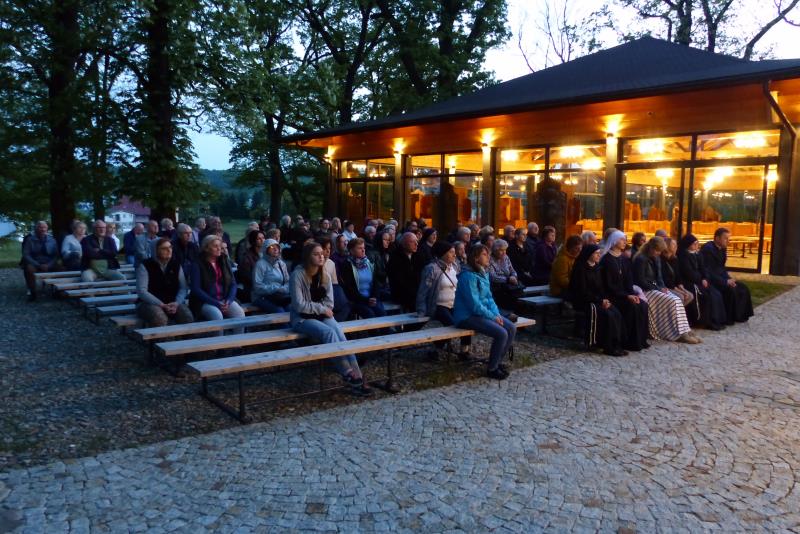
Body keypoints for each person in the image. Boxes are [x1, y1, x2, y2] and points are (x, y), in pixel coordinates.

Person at [289, 242, 372, 395]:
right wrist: (322, 309)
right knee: (328, 332)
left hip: (322, 315)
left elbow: (330, 303)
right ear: (307, 257)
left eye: (322, 253)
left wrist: (323, 309)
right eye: (316, 254)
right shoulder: (297, 275)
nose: (321, 256)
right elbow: (299, 305)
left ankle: (358, 374)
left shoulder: (325, 275)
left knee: (339, 333)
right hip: (302, 318)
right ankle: (347, 373)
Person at [454, 244, 517, 380]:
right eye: (484, 254)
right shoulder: (467, 276)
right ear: (476, 258)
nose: (488, 257)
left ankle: (497, 362)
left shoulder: (483, 273)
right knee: (501, 333)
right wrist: (492, 317)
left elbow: (489, 298)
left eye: (488, 254)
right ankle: (492, 369)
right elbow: (474, 304)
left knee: (511, 328)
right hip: (466, 316)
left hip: (481, 314)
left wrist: (496, 314)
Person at [632, 237, 700, 344]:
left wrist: (662, 287)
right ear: (651, 248)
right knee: (673, 301)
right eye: (657, 251)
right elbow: (641, 281)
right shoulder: (640, 259)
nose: (658, 253)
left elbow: (659, 278)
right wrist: (658, 288)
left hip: (656, 288)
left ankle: (684, 330)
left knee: (677, 299)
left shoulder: (656, 258)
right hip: (646, 290)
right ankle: (677, 333)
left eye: (660, 251)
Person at [568, 244, 627, 356]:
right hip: (584, 301)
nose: (599, 255)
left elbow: (601, 288)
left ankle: (616, 344)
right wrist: (600, 301)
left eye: (599, 253)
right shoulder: (580, 269)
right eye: (596, 253)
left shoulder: (597, 268)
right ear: (589, 254)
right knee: (608, 315)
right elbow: (582, 291)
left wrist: (605, 300)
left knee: (615, 313)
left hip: (597, 300)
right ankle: (606, 346)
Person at [416, 241, 471, 358]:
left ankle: (464, 350)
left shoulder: (455, 266)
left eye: (454, 252)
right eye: (451, 252)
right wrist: (421, 310)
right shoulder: (432, 268)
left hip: (455, 304)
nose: (454, 255)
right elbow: (423, 291)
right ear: (442, 253)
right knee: (452, 324)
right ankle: (436, 348)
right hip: (439, 305)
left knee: (466, 320)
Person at [600, 230, 650, 351]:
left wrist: (632, 294)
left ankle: (639, 340)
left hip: (625, 294)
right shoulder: (606, 260)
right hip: (612, 296)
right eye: (622, 239)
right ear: (614, 241)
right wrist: (626, 296)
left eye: (625, 240)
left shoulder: (624, 259)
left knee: (642, 305)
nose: (624, 242)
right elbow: (608, 285)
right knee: (632, 307)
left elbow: (629, 281)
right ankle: (627, 341)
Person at [190, 235, 245, 331]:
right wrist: (216, 303)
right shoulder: (197, 264)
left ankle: (238, 340)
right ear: (206, 248)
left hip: (224, 299)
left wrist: (228, 301)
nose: (219, 248)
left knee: (239, 313)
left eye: (219, 245)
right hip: (205, 301)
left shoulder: (224, 260)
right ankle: (219, 340)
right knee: (217, 316)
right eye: (215, 246)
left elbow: (233, 283)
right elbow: (196, 289)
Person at [136, 237, 193, 327]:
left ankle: (184, 336)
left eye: (170, 247)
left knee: (187, 316)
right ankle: (157, 337)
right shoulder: (145, 265)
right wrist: (161, 304)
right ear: (155, 250)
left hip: (172, 302)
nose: (169, 250)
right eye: (164, 248)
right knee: (159, 318)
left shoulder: (176, 264)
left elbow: (183, 288)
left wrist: (177, 302)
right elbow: (142, 291)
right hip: (149, 303)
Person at [701, 228, 754, 324]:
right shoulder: (708, 250)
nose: (728, 241)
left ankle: (740, 316)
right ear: (717, 238)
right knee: (730, 290)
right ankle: (728, 318)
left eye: (729, 238)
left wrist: (729, 279)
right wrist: (725, 281)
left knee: (743, 288)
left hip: (722, 277)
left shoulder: (722, 249)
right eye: (725, 238)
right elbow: (708, 272)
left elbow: (722, 268)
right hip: (712, 280)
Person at [677, 233, 726, 330]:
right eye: (694, 244)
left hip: (700, 281)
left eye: (697, 243)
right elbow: (688, 272)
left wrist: (705, 278)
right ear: (688, 245)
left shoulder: (698, 254)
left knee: (716, 294)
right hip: (690, 282)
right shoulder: (683, 256)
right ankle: (706, 322)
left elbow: (704, 269)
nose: (697, 246)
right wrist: (700, 280)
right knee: (706, 296)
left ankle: (718, 320)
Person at [338, 238, 386, 318]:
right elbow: (349, 289)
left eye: (363, 248)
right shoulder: (347, 265)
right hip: (357, 300)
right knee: (370, 314)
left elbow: (375, 282)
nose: (363, 250)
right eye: (360, 248)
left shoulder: (369, 262)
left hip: (372, 298)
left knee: (382, 313)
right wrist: (366, 300)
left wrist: (374, 297)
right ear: (352, 251)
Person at [21, 221, 60, 301]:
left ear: (47, 229)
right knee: (29, 269)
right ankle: (32, 292)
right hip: (35, 262)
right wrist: (38, 265)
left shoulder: (52, 239)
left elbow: (56, 255)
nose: (42, 229)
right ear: (36, 229)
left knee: (62, 268)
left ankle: (57, 290)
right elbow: (26, 254)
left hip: (48, 262)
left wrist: (49, 265)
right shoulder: (30, 239)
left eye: (44, 227)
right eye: (40, 227)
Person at [387, 232, 425, 312]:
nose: (416, 244)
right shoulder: (395, 258)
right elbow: (399, 281)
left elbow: (422, 275)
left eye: (417, 241)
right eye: (412, 242)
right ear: (404, 244)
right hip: (402, 294)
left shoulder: (418, 256)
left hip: (417, 292)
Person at [251, 238, 291, 313]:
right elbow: (257, 287)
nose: (275, 249)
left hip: (278, 296)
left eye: (277, 247)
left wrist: (284, 289)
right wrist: (275, 288)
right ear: (265, 250)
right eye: (272, 247)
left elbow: (288, 281)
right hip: (261, 297)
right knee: (280, 311)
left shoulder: (281, 264)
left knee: (291, 310)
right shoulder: (260, 264)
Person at [318, 236, 351, 322]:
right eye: (325, 249)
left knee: (346, 306)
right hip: (318, 296)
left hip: (330, 295)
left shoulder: (331, 263)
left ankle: (335, 323)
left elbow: (335, 284)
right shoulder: (313, 263)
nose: (328, 251)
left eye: (329, 248)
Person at [488, 239, 523, 310]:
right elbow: (492, 277)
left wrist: (513, 276)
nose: (504, 252)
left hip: (509, 286)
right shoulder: (489, 259)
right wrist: (508, 279)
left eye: (505, 250)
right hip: (497, 288)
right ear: (495, 250)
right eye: (501, 250)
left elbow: (512, 270)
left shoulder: (506, 257)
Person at [661, 237, 694, 307]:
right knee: (681, 296)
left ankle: (678, 311)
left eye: (676, 244)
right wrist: (680, 291)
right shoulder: (661, 259)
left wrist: (683, 289)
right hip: (665, 286)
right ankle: (675, 312)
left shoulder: (674, 259)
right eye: (673, 244)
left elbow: (678, 276)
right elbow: (666, 280)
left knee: (690, 296)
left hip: (674, 286)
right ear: (667, 246)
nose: (676, 246)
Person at [236, 230, 265, 303]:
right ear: (253, 241)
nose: (262, 240)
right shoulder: (247, 257)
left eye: (263, 238)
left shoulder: (266, 254)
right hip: (254, 290)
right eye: (259, 239)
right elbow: (247, 277)